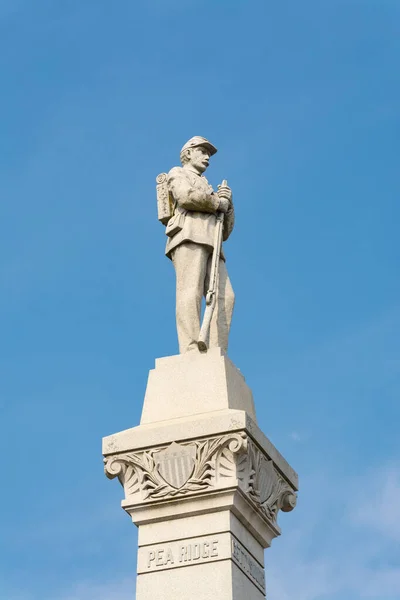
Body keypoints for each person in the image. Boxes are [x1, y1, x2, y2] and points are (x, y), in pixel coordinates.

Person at [165, 136, 235, 353]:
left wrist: (228, 204)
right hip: (189, 235)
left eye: (208, 153)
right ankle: (191, 347)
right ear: (188, 153)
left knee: (226, 298)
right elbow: (186, 196)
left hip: (213, 242)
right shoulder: (178, 173)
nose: (207, 157)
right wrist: (217, 202)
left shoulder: (209, 187)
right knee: (190, 291)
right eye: (202, 151)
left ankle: (216, 349)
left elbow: (226, 231)